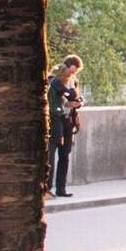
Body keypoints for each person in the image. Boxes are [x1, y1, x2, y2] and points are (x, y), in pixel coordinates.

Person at [46, 55, 84, 198]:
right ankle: (47, 187)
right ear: (67, 67)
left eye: (75, 72)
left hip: (68, 119)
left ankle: (61, 188)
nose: (73, 74)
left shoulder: (73, 81)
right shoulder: (55, 81)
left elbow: (76, 97)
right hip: (56, 119)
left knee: (65, 154)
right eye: (72, 70)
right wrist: (69, 102)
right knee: (50, 153)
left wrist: (77, 103)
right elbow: (57, 100)